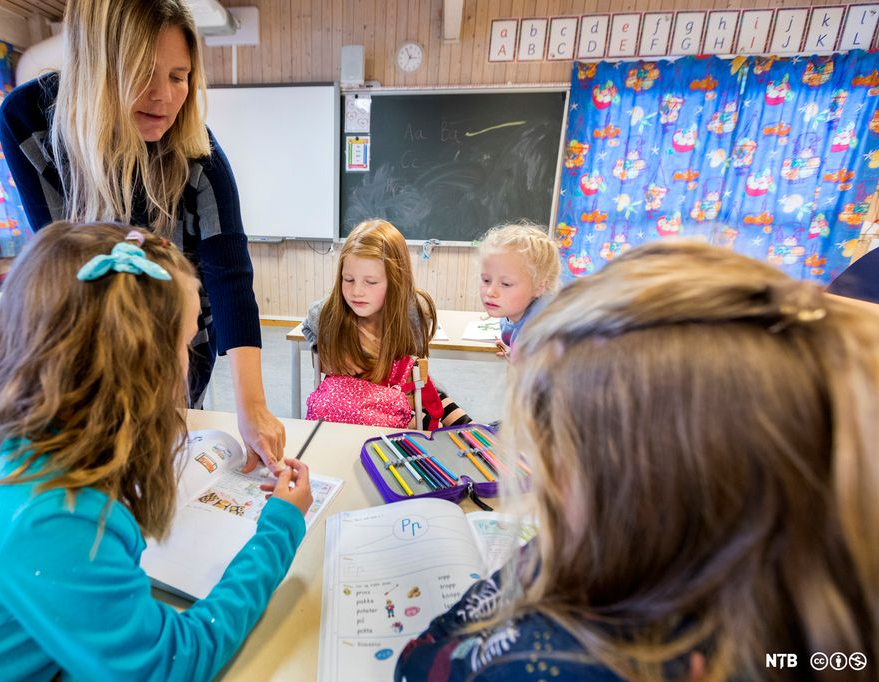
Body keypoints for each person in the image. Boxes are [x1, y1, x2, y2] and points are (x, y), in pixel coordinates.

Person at [396, 240, 879, 681]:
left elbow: (418, 665)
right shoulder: (781, 601)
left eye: (553, 448)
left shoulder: (553, 661)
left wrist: (548, 556)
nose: (542, 472)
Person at [0, 223, 313, 681]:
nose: (188, 362)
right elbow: (169, 663)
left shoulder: (23, 449)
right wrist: (281, 526)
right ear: (142, 366)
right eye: (184, 344)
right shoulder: (53, 514)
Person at [0, 0, 283, 471]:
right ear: (99, 67)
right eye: (143, 73)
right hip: (88, 328)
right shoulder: (30, 119)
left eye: (178, 76)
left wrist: (252, 406)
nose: (164, 97)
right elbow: (61, 261)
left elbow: (230, 275)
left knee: (162, 454)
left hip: (178, 335)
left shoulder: (199, 154)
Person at [302, 219, 470, 429]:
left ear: (396, 281)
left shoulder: (413, 312)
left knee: (433, 403)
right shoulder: (328, 311)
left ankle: (471, 428)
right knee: (422, 415)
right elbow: (307, 326)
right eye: (348, 279)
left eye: (370, 282)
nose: (356, 291)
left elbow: (414, 373)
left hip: (395, 395)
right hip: (354, 406)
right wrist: (326, 348)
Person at [478, 221, 562, 356]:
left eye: (506, 284)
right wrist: (514, 350)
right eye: (486, 280)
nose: (490, 292)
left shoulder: (542, 334)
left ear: (539, 286)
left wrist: (520, 357)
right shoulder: (513, 310)